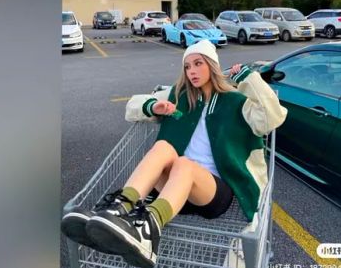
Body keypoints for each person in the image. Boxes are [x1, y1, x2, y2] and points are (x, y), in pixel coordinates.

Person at [61, 39, 287, 268]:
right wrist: (152, 106)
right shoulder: (179, 96)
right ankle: (119, 209)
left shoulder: (237, 102)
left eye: (198, 64)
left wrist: (249, 79)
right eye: (187, 67)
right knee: (163, 147)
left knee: (183, 164)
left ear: (212, 65)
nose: (192, 72)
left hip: (212, 191)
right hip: (172, 190)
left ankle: (148, 232)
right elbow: (132, 107)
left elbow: (273, 116)